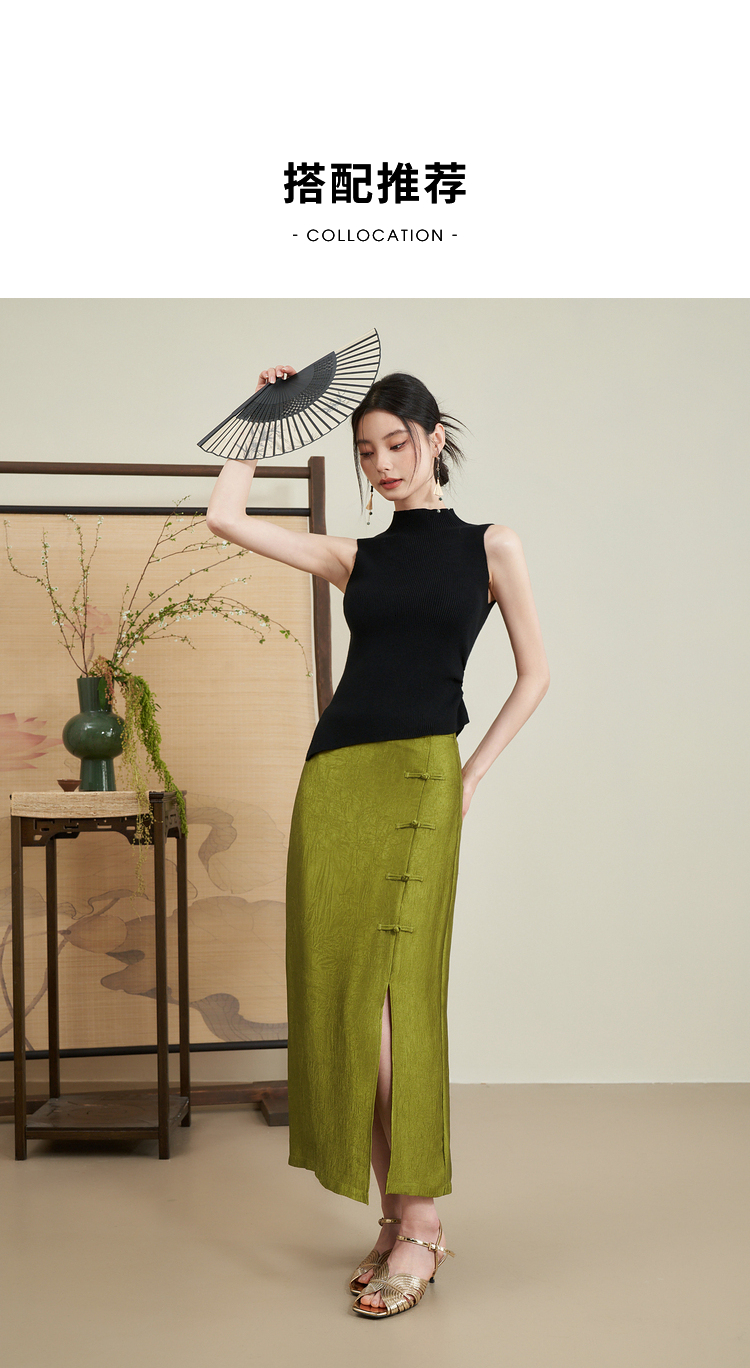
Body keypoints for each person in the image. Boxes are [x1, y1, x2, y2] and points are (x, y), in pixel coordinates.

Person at [206, 363, 550, 1318]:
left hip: (420, 782)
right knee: (340, 998)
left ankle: (422, 1219)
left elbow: (536, 674)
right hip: (335, 783)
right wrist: (259, 417)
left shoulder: (491, 546)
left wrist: (470, 776)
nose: (383, 463)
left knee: (402, 1000)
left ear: (434, 439)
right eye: (366, 451)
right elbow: (224, 518)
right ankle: (399, 1218)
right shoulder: (353, 556)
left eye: (398, 443)